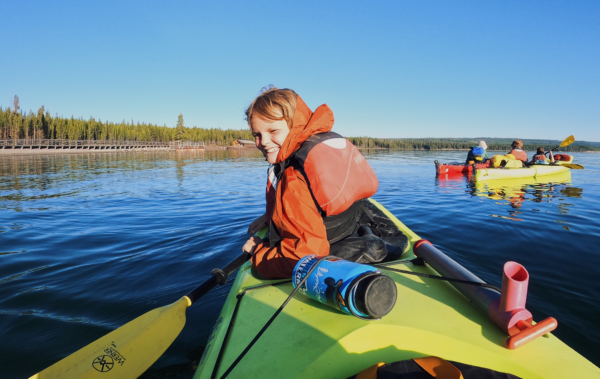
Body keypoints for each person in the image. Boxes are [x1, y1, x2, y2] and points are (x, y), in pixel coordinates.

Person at [242, 88, 379, 279]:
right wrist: (270, 216)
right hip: (350, 231)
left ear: (295, 126)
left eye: (273, 131)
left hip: (321, 256)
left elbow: (301, 258)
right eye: (257, 135)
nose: (263, 142)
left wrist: (257, 250)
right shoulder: (313, 148)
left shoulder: (294, 178)